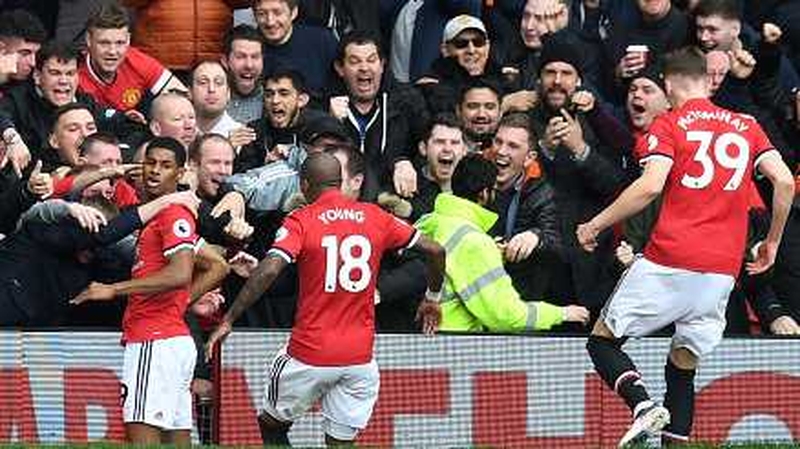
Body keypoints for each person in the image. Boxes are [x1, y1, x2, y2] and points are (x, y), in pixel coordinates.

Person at [577, 47, 795, 446]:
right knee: (682, 367)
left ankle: (642, 405)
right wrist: (772, 243)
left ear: (668, 82)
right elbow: (783, 181)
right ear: (707, 80)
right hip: (721, 271)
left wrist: (595, 224)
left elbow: (650, 186)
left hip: (670, 258)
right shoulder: (746, 126)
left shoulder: (669, 124)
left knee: (602, 341)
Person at [205, 152, 445, 446]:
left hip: (308, 354)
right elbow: (436, 250)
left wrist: (229, 318)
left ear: (304, 185)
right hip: (359, 358)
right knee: (340, 442)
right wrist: (432, 298)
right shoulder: (375, 216)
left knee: (271, 424)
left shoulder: (301, 220)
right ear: (339, 181)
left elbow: (270, 269)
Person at [72, 136, 229, 445]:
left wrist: (113, 289)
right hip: (173, 340)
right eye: (151, 163)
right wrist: (181, 302)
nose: (155, 170)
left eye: (166, 165)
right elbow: (218, 266)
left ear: (180, 173)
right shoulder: (167, 215)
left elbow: (180, 272)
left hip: (154, 341)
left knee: (141, 432)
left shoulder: (172, 215)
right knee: (175, 436)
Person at [416, 153, 587, 332]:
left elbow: (453, 262)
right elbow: (505, 315)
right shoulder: (476, 244)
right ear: (484, 193)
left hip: (414, 335)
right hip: (453, 339)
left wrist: (493, 252)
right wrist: (561, 314)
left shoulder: (430, 220)